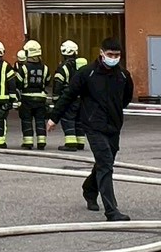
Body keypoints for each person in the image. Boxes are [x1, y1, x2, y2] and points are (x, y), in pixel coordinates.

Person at [47, 37, 134, 222]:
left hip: (114, 125)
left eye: (117, 55)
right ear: (101, 53)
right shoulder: (87, 74)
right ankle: (112, 211)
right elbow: (68, 94)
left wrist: (115, 112)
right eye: (110, 54)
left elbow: (125, 99)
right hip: (93, 126)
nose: (113, 58)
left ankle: (89, 189)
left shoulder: (123, 76)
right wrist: (54, 118)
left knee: (106, 161)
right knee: (105, 162)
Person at [50, 40, 90, 151]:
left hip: (68, 98)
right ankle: (80, 142)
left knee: (68, 119)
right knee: (79, 119)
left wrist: (56, 99)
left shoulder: (63, 67)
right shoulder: (81, 66)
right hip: (81, 99)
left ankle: (70, 143)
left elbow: (58, 83)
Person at [15, 40, 51, 151]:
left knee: (27, 120)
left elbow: (18, 82)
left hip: (27, 98)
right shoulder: (45, 67)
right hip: (40, 98)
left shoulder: (24, 68)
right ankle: (41, 142)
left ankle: (28, 142)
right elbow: (48, 80)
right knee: (40, 120)